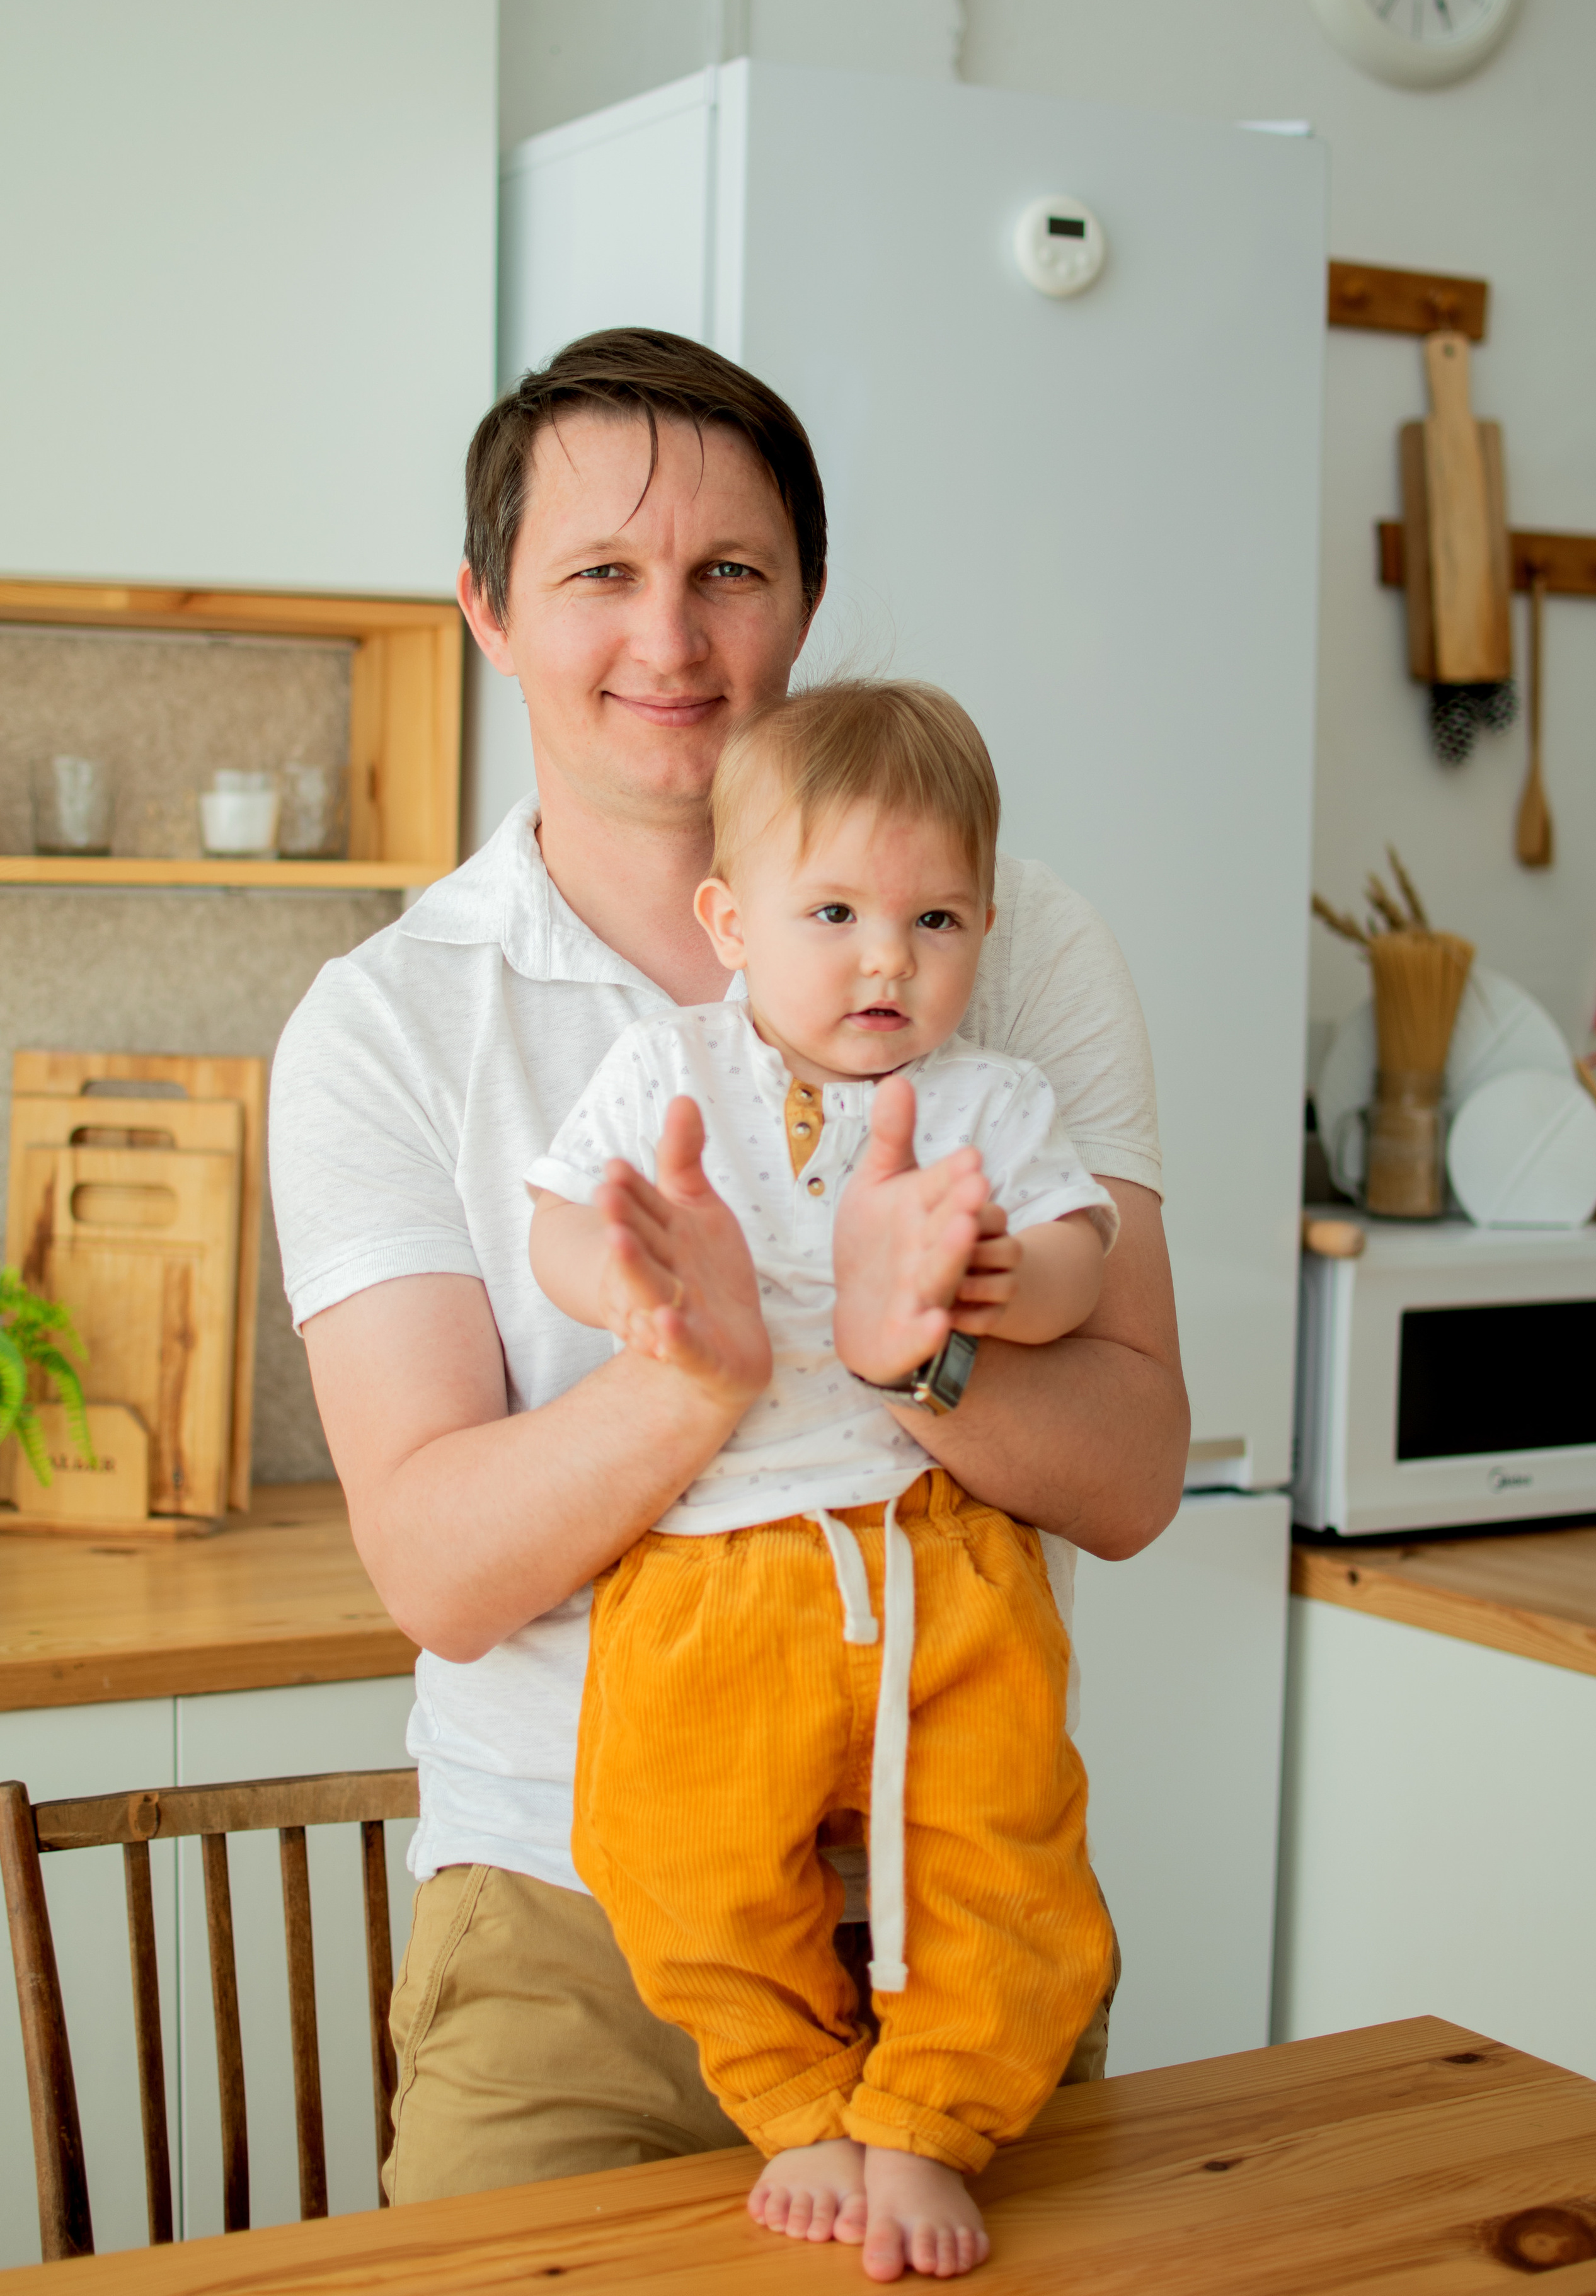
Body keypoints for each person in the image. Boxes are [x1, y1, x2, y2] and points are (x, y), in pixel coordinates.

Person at [268, 329, 1188, 2280]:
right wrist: (703, 1371)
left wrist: (914, 1352)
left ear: (808, 607)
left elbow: (1129, 1473)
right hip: (573, 1924)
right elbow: (439, 1569)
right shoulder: (388, 1022)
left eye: (731, 573)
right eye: (601, 572)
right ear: (489, 612)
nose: (669, 636)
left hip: (955, 1904)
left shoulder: (1018, 953)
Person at [527, 678, 1119, 2280]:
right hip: (709, 1558)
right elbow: (560, 1222)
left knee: (1006, 1845)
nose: (886, 959)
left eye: (934, 919)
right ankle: (798, 2105)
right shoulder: (672, 1071)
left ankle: (931, 2121)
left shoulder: (987, 1100)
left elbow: (1081, 1258)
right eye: (837, 912)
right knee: (673, 1847)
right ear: (729, 920)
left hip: (941, 1558)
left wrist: (991, 1278)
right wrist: (627, 1282)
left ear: (984, 928)